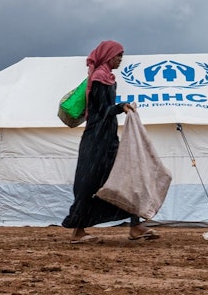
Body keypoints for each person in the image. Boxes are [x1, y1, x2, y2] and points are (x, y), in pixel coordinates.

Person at [61, 40, 156, 244]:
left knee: (124, 179)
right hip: (96, 142)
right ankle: (78, 230)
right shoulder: (98, 78)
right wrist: (120, 107)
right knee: (89, 185)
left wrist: (120, 108)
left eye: (122, 55)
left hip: (107, 139)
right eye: (118, 55)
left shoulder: (108, 78)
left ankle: (135, 226)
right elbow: (100, 112)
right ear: (107, 56)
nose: (121, 59)